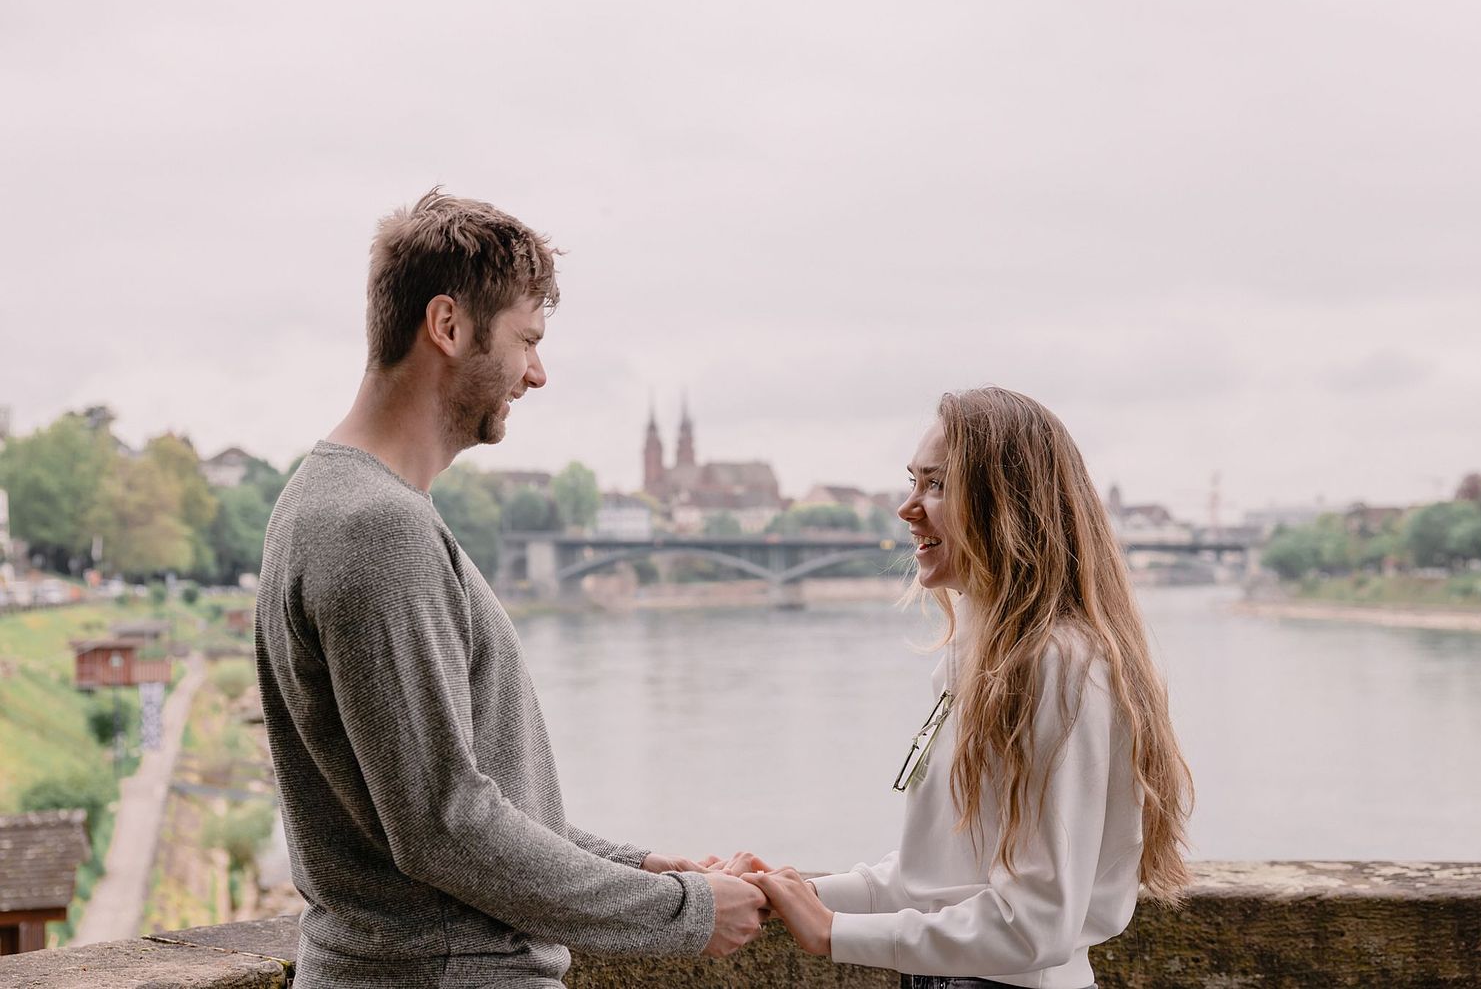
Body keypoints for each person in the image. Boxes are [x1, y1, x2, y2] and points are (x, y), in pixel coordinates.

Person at [255, 188, 766, 988]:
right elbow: (444, 828)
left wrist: (647, 867)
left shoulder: (328, 502)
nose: (538, 373)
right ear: (449, 326)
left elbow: (473, 802)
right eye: (527, 339)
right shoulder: (376, 529)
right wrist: (684, 913)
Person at [741, 386, 1194, 989]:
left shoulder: (1054, 663)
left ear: (1006, 505)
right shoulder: (981, 661)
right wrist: (789, 893)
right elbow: (936, 881)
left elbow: (1035, 925)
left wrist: (832, 933)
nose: (908, 508)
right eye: (913, 482)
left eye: (937, 485)